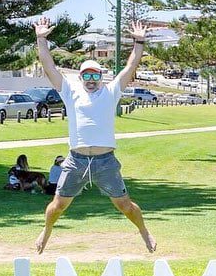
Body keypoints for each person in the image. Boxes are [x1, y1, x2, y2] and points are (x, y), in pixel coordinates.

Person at [32, 17, 157, 254]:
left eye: (95, 75)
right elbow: (49, 67)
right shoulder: (70, 91)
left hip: (105, 161)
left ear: (101, 76)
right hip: (76, 160)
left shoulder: (111, 91)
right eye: (86, 76)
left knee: (125, 206)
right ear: (80, 78)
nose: (90, 80)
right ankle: (46, 231)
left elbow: (130, 67)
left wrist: (139, 42)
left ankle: (144, 232)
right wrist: (41, 39)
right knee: (58, 206)